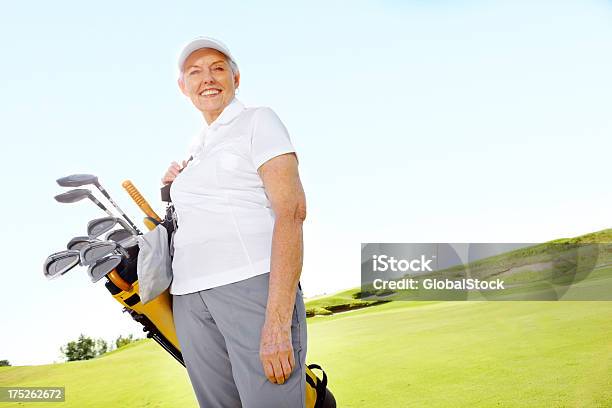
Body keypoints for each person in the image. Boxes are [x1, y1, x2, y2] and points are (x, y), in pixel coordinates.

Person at [161, 37, 308, 408]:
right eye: (195, 72)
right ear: (184, 88)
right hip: (190, 297)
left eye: (217, 68)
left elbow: (292, 213)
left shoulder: (258, 120)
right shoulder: (196, 145)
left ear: (236, 78)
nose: (207, 78)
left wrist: (276, 321)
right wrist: (174, 187)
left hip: (249, 286)